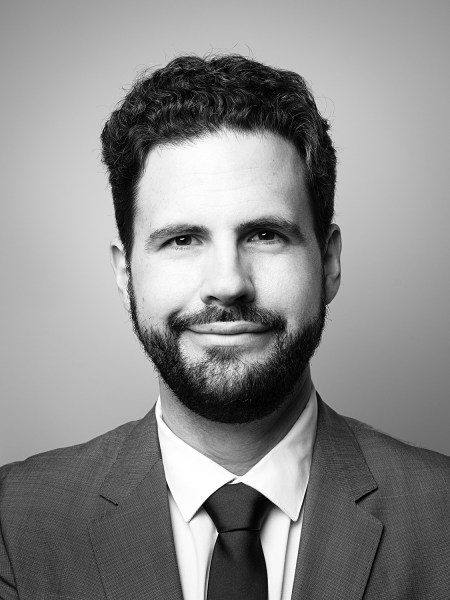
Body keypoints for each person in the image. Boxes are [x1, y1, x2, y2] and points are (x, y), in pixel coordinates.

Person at [0, 54, 449, 600]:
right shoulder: (15, 524)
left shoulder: (440, 516)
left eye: (264, 235)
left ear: (329, 262)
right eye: (182, 240)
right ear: (125, 275)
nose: (228, 283)